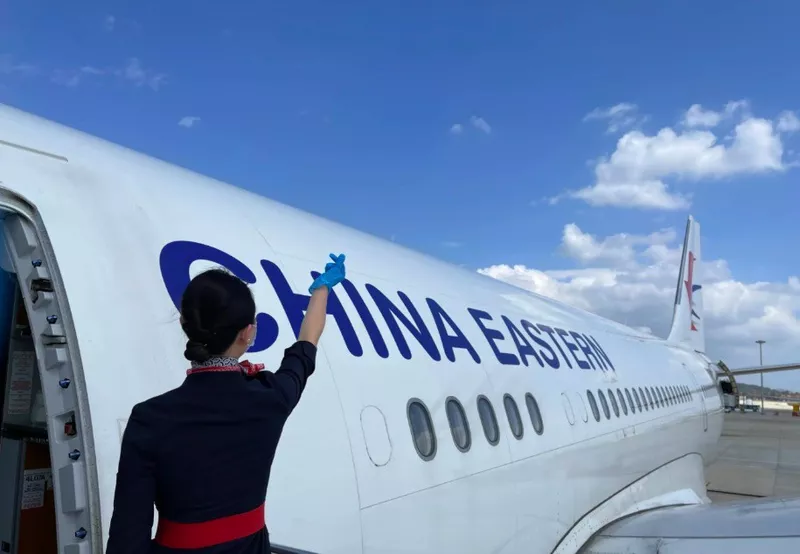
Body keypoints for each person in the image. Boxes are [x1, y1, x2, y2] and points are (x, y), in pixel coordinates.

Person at [105, 253, 347, 553]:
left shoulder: (148, 418)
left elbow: (127, 538)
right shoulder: (272, 397)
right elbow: (307, 343)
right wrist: (322, 289)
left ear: (185, 324)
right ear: (248, 333)